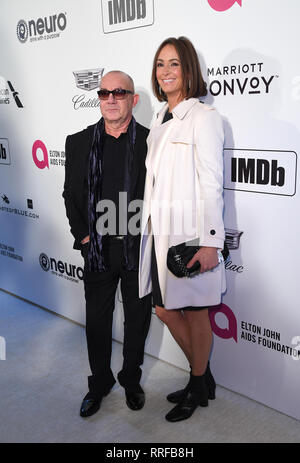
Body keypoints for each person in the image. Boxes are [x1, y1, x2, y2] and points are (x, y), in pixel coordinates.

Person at [139, 37, 226, 422]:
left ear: (188, 70)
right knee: (163, 308)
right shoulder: (159, 117)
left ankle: (196, 384)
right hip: (161, 234)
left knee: (194, 313)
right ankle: (202, 377)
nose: (166, 72)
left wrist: (210, 243)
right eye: (160, 64)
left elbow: (211, 183)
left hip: (190, 235)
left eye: (174, 64)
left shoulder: (205, 118)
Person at [63, 71, 152, 418]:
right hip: (98, 249)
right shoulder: (78, 141)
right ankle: (99, 383)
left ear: (134, 99)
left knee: (137, 320)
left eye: (119, 92)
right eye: (104, 93)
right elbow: (71, 194)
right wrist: (84, 237)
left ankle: (131, 379)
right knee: (97, 322)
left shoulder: (152, 141)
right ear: (98, 98)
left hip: (137, 247)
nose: (111, 99)